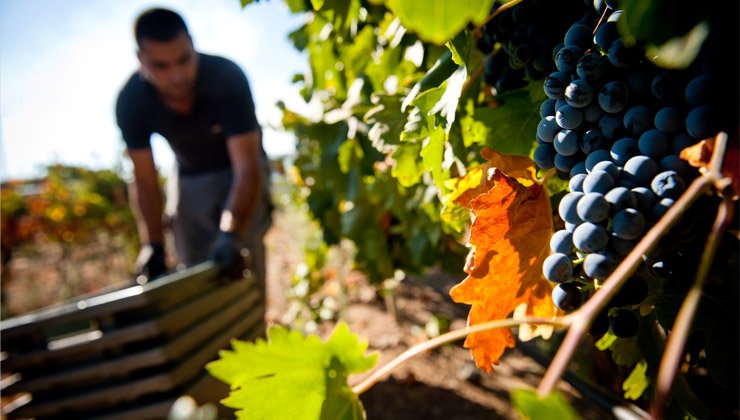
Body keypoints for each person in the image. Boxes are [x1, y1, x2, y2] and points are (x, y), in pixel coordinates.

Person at [115, 7, 272, 299]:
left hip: (238, 170)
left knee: (242, 261)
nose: (176, 76)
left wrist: (230, 234)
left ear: (193, 43)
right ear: (141, 60)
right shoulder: (131, 101)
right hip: (187, 174)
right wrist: (153, 244)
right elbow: (145, 180)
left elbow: (246, 168)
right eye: (161, 66)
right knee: (195, 271)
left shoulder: (226, 77)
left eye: (184, 60)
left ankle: (252, 333)